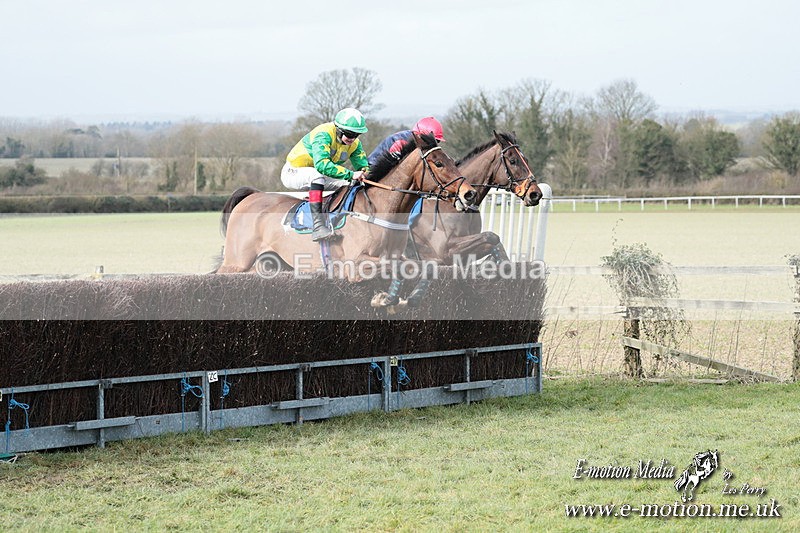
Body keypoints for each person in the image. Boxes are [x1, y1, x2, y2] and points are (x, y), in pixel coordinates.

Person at [281, 107, 370, 241]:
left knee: (350, 184)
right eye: (349, 134)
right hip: (294, 172)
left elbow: (363, 166)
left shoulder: (355, 144)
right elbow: (322, 165)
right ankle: (318, 226)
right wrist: (351, 174)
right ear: (338, 129)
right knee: (317, 176)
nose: (353, 138)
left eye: (356, 135)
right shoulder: (323, 134)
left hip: (320, 176)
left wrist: (365, 173)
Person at [367, 116, 446, 167]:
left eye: (437, 141)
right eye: (432, 142)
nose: (433, 145)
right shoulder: (400, 143)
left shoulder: (419, 145)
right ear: (419, 136)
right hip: (371, 168)